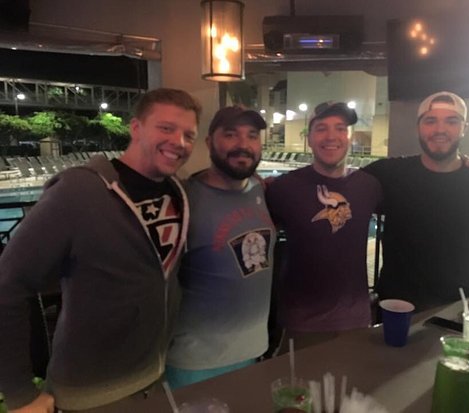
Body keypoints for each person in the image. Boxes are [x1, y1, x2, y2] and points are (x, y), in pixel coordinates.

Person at [0, 88, 202, 412]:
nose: (178, 141)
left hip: (154, 379)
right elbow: (8, 283)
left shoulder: (179, 193)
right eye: (166, 128)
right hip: (88, 394)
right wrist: (19, 394)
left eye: (188, 135)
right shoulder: (78, 192)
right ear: (136, 128)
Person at [363, 91, 469, 312]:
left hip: (457, 304)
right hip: (395, 304)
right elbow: (341, 188)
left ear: (464, 128)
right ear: (418, 127)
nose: (440, 129)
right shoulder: (388, 174)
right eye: (430, 121)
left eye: (451, 121)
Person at [166, 106, 275, 388]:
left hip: (253, 352)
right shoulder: (184, 200)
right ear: (209, 142)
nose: (243, 144)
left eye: (252, 135)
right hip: (195, 363)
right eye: (230, 134)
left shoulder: (258, 188)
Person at [265, 102, 382, 351]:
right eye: (321, 128)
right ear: (308, 138)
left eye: (340, 128)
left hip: (356, 321)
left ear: (349, 137)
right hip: (300, 323)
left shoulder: (369, 186)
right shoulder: (283, 189)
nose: (331, 136)